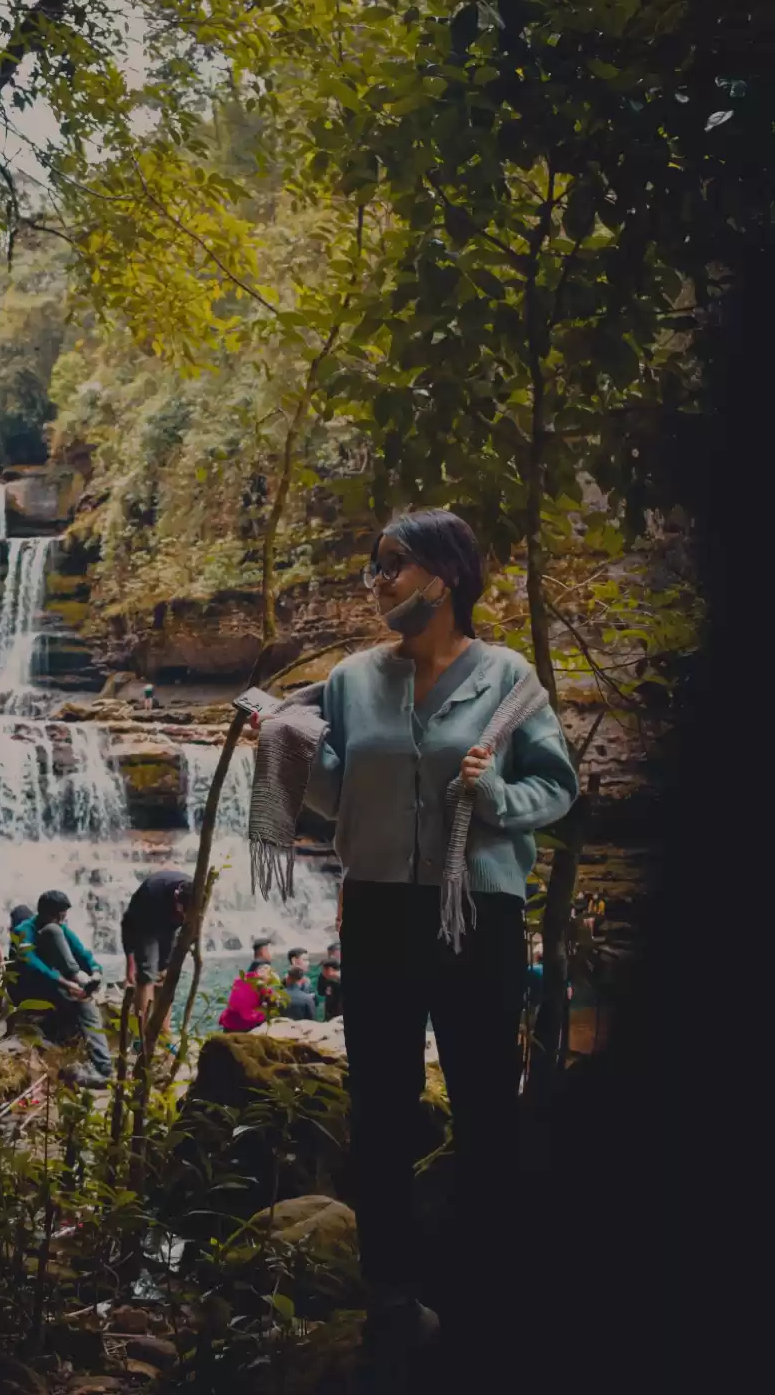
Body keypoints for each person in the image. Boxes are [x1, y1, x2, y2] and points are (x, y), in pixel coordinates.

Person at [299, 508, 578, 1373]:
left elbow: (556, 788)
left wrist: (495, 796)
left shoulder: (507, 677)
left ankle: (487, 1289)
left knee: (486, 1102)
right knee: (380, 1106)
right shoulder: (350, 680)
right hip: (378, 911)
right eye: (375, 567)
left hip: (476, 914)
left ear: (445, 576)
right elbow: (334, 797)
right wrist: (291, 749)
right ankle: (392, 1292)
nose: (378, 582)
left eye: (393, 565)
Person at [9, 890, 112, 1088]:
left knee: (85, 1004)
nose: (61, 921)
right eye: (57, 917)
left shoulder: (61, 928)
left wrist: (96, 972)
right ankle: (77, 976)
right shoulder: (23, 930)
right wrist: (66, 982)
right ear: (44, 913)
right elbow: (32, 965)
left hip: (54, 985)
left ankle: (104, 1069)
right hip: (27, 989)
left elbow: (83, 953)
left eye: (63, 917)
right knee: (52, 932)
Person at [121, 868, 192, 1035]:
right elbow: (128, 924)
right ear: (176, 897)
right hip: (146, 925)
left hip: (170, 927)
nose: (183, 916)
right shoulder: (151, 893)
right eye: (181, 912)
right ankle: (142, 1033)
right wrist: (130, 961)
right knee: (146, 976)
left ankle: (164, 1032)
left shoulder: (196, 893)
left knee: (166, 978)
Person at [219, 966, 275, 1033]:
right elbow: (273, 1001)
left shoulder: (239, 979)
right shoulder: (262, 984)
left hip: (229, 1019)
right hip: (246, 1021)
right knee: (270, 1011)